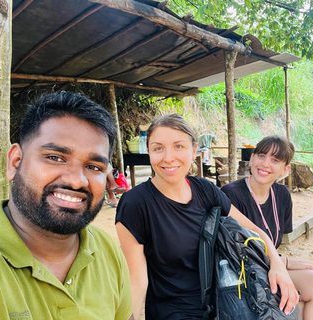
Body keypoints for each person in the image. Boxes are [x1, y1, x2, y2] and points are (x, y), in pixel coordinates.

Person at [0, 92, 133, 320]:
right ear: (15, 162)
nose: (77, 180)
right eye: (55, 157)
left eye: (94, 167)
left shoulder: (106, 251)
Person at [115, 114, 299, 320]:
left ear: (194, 151)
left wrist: (277, 265)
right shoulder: (135, 203)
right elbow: (136, 280)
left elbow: (254, 231)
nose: (168, 157)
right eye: (158, 148)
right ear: (148, 151)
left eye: (178, 146)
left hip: (225, 301)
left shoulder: (205, 190)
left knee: (309, 294)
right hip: (176, 311)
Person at [221, 136, 313, 320]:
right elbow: (232, 251)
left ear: (285, 170)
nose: (265, 164)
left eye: (275, 160)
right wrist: (284, 263)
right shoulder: (231, 193)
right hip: (243, 277)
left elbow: (277, 243)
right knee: (306, 304)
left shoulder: (282, 195)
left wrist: (280, 261)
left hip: (270, 266)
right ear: (252, 159)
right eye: (261, 156)